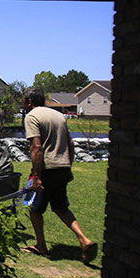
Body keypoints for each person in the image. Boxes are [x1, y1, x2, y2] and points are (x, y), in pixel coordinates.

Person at [21, 88, 98, 263]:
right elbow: (70, 144)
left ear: (30, 102)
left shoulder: (32, 116)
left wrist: (37, 176)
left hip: (47, 168)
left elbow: (36, 147)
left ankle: (41, 246)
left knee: (35, 209)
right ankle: (84, 240)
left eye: (24, 101)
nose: (23, 105)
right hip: (62, 166)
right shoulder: (58, 115)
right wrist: (68, 167)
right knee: (60, 207)